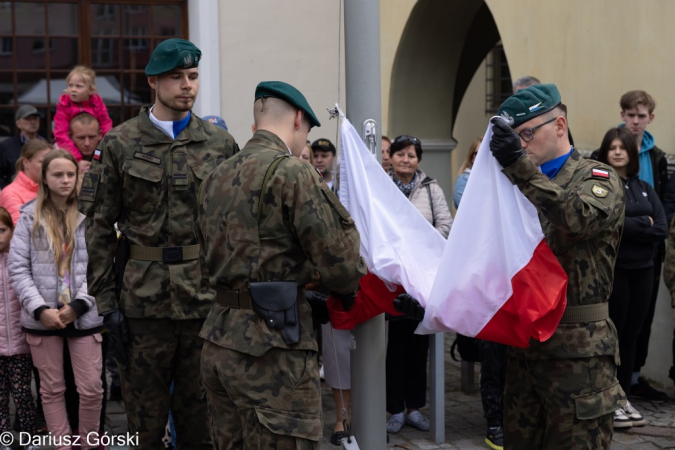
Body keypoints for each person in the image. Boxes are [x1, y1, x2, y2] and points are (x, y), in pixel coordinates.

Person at [78, 38, 239, 450]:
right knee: (143, 424)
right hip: (141, 301)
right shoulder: (120, 143)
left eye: (193, 76)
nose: (187, 85)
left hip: (203, 300)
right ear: (153, 82)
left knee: (201, 421)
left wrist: (233, 297)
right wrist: (107, 303)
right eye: (176, 77)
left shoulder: (219, 144)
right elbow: (98, 226)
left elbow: (234, 227)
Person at [197, 80, 366, 448]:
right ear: (298, 120)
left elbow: (204, 261)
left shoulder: (214, 177)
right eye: (306, 132)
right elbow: (342, 264)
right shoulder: (293, 172)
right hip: (272, 348)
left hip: (219, 338)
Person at [489, 84, 625, 449]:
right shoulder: (514, 185)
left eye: (527, 134)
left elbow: (576, 220)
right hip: (525, 347)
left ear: (560, 125)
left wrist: (517, 168)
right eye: (515, 138)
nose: (521, 144)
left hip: (578, 349)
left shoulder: (598, 179)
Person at [10, 150, 104, 450]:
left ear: (77, 177)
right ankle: (62, 445)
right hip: (42, 319)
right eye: (57, 175)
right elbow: (18, 268)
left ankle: (88, 444)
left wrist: (78, 305)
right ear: (45, 179)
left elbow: (102, 266)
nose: (65, 180)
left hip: (84, 316)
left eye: (70, 174)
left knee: (91, 389)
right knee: (51, 389)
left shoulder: (92, 215)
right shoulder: (28, 216)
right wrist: (39, 309)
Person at [596, 126, 667, 428]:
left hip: (644, 270)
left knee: (632, 337)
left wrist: (631, 225)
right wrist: (642, 223)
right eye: (612, 147)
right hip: (617, 270)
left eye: (622, 147)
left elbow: (661, 227)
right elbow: (608, 224)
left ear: (631, 152)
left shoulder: (644, 187)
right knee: (614, 336)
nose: (617, 152)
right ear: (605, 152)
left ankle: (623, 397)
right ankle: (608, 400)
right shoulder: (600, 185)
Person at [385, 134, 452, 434]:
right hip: (393, 278)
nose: (405, 160)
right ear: (392, 157)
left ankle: (414, 407)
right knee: (394, 347)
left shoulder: (431, 188)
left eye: (411, 155)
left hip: (423, 278)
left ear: (418, 160)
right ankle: (395, 409)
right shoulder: (382, 186)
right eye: (400, 154)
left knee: (419, 344)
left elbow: (445, 227)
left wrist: (420, 246)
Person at [0, 206, 39, 449]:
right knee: (0, 397)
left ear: (12, 231)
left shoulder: (21, 262)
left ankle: (29, 437)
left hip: (21, 344)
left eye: (2, 230)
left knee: (23, 394)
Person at [53, 66, 113, 162]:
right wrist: (76, 158)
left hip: (95, 147)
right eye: (70, 85)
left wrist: (103, 149)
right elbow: (60, 133)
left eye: (79, 86)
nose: (73, 89)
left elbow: (106, 127)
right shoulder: (64, 105)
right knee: (58, 156)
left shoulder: (97, 104)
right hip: (69, 146)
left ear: (90, 89)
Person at [0, 140, 53, 224]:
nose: (49, 166)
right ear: (26, 163)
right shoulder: (10, 193)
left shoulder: (55, 188)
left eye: (51, 162)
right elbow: (22, 228)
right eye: (42, 162)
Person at [0, 105, 48, 189]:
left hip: (43, 192)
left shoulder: (47, 144)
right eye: (28, 119)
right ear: (18, 123)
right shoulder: (7, 146)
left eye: (35, 118)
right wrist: (8, 190)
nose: (32, 122)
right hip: (16, 194)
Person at [453, 136, 481, 208]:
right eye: (478, 153)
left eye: (486, 153)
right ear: (472, 158)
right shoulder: (463, 180)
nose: (482, 157)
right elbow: (465, 210)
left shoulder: (497, 179)